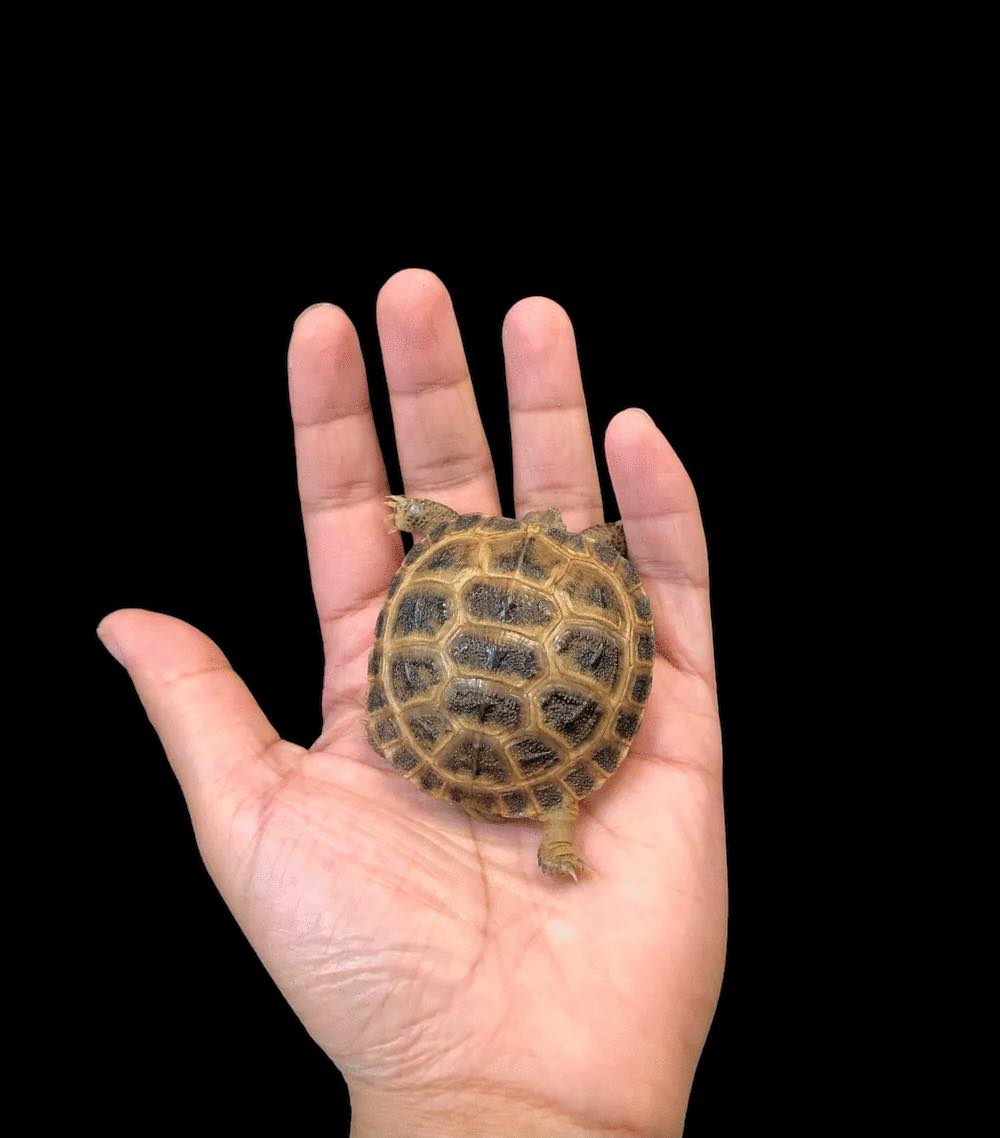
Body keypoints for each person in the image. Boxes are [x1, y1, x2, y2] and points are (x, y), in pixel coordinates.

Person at [97, 269, 727, 1138]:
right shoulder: (608, 577)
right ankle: (556, 827)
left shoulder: (467, 539)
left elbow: (437, 526)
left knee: (544, 761)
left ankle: (554, 825)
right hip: (523, 730)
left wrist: (415, 512)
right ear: (603, 548)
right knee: (558, 789)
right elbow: (497, 535)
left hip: (425, 722)